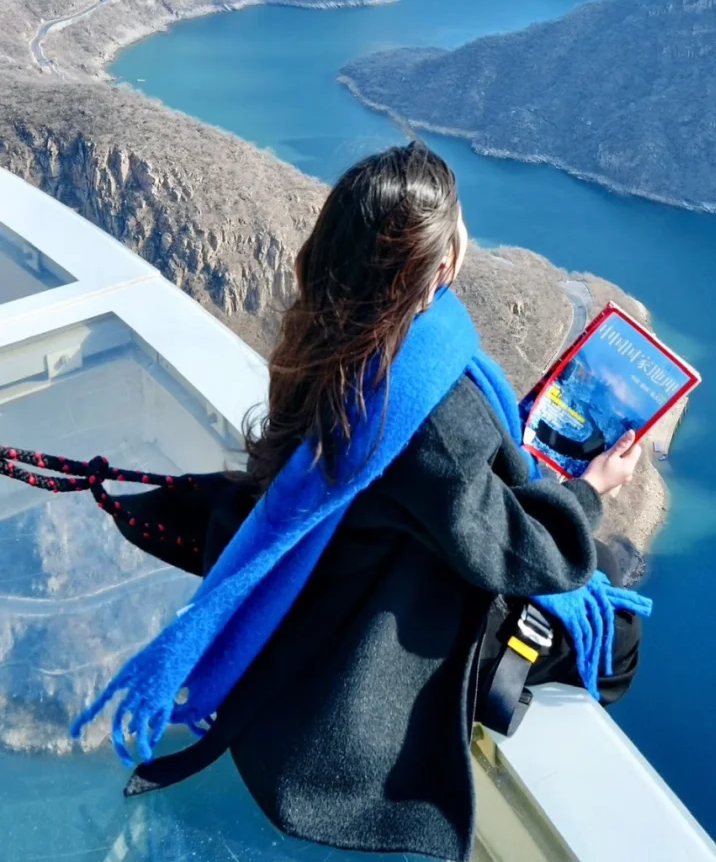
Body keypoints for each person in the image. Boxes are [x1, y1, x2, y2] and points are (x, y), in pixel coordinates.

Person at [72, 142, 649, 861]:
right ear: (445, 264)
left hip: (329, 603)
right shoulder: (430, 407)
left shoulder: (330, 339)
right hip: (342, 718)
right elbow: (524, 554)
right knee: (618, 624)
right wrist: (589, 490)